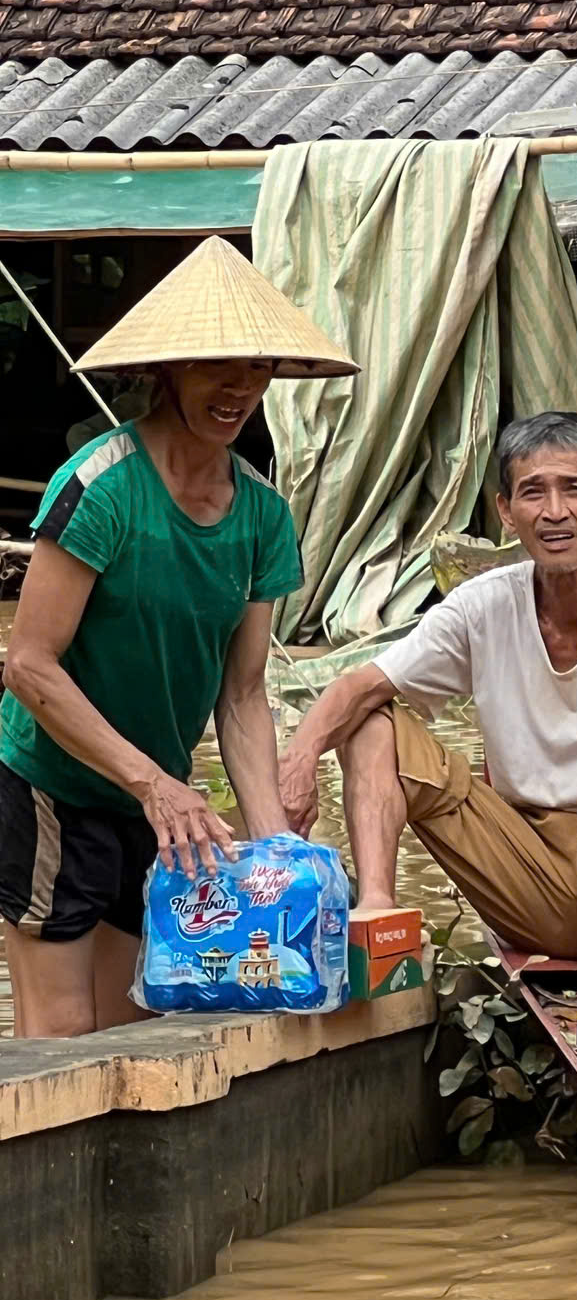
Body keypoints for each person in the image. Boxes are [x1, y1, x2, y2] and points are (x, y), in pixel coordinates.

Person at [281, 412, 577, 1020]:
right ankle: (378, 918)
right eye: (533, 492)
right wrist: (298, 759)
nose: (555, 511)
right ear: (506, 511)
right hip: (528, 874)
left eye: (573, 489)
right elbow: (361, 683)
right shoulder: (482, 603)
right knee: (373, 720)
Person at [0, 236, 354, 1037]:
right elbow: (28, 665)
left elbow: (242, 694)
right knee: (58, 1036)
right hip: (55, 785)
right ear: (168, 372)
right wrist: (152, 782)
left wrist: (274, 851)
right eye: (215, 368)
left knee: (137, 1023)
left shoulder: (263, 514)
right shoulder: (102, 486)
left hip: (156, 806)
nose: (238, 389)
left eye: (256, 370)